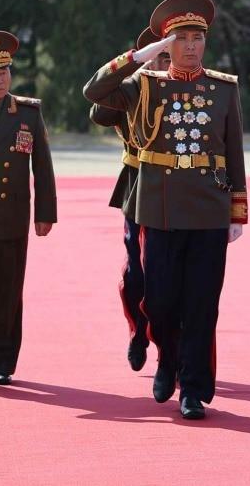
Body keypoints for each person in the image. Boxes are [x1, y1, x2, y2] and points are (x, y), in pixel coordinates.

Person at [83, 0, 248, 420]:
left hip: (208, 209)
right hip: (159, 208)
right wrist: (141, 54)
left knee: (201, 303)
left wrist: (237, 210)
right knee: (159, 301)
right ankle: (166, 360)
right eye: (181, 38)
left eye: (197, 38)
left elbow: (234, 152)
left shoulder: (223, 89)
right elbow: (94, 91)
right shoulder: (144, 84)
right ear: (167, 44)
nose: (191, 46)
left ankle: (193, 388)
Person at [0, 31, 56, 386]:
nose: (1, 78)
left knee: (6, 294)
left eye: (5, 71)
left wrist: (45, 212)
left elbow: (43, 167)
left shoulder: (27, 113)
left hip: (10, 219)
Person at [89, 26, 169, 372]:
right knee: (136, 274)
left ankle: (171, 348)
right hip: (137, 185)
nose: (165, 64)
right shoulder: (134, 90)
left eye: (170, 56)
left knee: (170, 275)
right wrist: (133, 72)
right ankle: (138, 332)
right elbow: (98, 111)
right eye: (160, 56)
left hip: (178, 190)